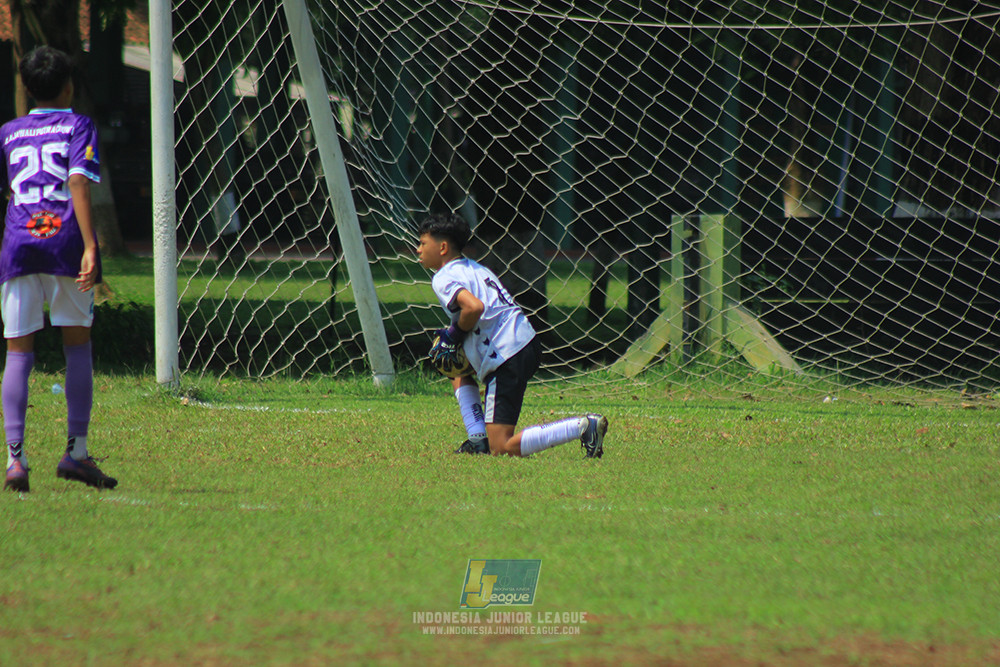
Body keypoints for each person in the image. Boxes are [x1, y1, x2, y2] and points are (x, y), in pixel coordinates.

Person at [1, 46, 117, 491]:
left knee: (18, 353)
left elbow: (9, 193)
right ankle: (77, 453)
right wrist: (91, 246)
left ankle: (16, 460)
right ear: (68, 86)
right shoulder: (77, 123)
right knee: (77, 346)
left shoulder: (8, 132)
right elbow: (77, 182)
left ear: (26, 87)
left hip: (19, 246)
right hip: (65, 240)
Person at [417, 212, 608, 458]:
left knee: (502, 446)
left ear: (442, 247)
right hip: (523, 340)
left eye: (423, 243)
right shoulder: (474, 267)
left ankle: (583, 426)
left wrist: (452, 336)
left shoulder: (443, 277)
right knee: (452, 362)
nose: (418, 249)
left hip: (506, 354)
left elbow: (474, 307)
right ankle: (478, 439)